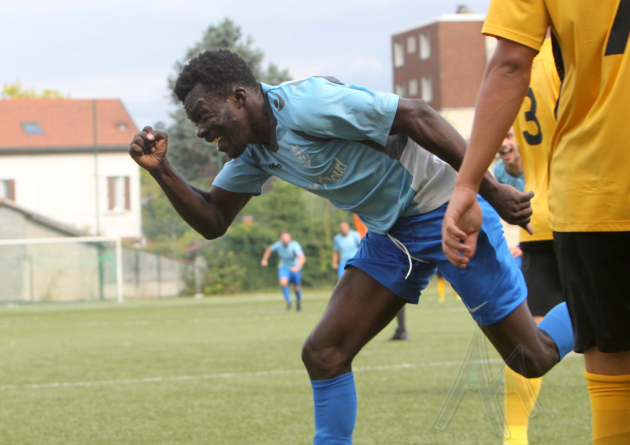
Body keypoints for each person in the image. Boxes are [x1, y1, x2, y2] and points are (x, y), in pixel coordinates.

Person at [129, 49, 573, 444]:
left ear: (240, 98)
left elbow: (417, 114)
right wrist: (161, 170)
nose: (202, 130)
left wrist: (488, 190)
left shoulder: (308, 103)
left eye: (204, 115)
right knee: (325, 354)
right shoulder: (251, 153)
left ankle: (600, 301)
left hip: (444, 214)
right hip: (390, 238)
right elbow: (212, 218)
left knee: (531, 358)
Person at [442, 2, 630, 444]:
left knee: (606, 372)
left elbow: (509, 64)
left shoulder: (540, 62)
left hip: (585, 197)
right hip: (576, 205)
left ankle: (515, 434)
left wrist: (468, 186)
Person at [501, 36, 563, 445]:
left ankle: (515, 435)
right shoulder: (574, 54)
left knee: (534, 333)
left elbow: (523, 157)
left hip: (539, 216)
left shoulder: (517, 65)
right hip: (590, 209)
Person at [261, 231, 305, 310]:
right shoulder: (278, 245)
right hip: (284, 267)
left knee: (296, 287)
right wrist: (264, 260)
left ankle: (298, 302)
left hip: (295, 268)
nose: (285, 238)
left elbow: (302, 258)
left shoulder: (294, 245)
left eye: (287, 236)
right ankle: (288, 302)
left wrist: (297, 267)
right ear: (280, 239)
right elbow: (269, 250)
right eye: (284, 237)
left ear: (290, 237)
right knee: (283, 283)